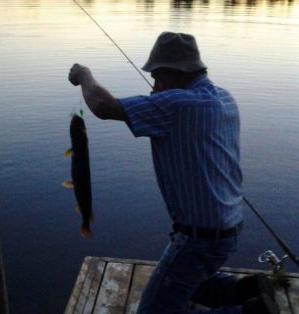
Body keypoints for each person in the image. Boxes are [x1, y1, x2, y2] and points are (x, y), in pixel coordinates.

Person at [68, 32, 279, 314]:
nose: (155, 87)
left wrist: (84, 75)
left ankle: (250, 312)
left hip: (199, 238)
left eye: (157, 78)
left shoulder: (178, 105)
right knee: (189, 279)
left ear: (173, 72)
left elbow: (103, 106)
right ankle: (247, 290)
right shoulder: (224, 99)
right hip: (227, 230)